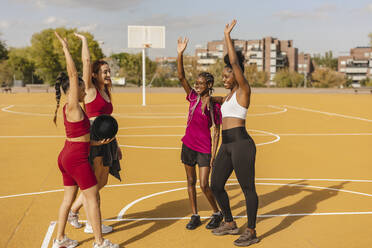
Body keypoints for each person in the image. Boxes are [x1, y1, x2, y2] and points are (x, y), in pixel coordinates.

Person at [52, 31, 118, 248]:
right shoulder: (73, 105)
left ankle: (60, 238)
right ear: (74, 89)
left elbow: (81, 137)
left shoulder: (73, 110)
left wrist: (98, 144)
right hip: (76, 159)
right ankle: (99, 242)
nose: (83, 88)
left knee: (67, 200)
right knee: (91, 199)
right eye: (80, 86)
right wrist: (67, 48)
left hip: (68, 154)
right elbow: (75, 73)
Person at [210, 20, 260, 246]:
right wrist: (207, 98)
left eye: (227, 75)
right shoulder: (229, 96)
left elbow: (233, 62)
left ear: (236, 76)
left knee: (247, 188)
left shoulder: (243, 90)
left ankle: (251, 230)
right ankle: (230, 222)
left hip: (241, 143)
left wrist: (226, 36)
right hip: (227, 145)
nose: (223, 78)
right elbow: (219, 100)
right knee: (216, 185)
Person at [68, 33, 122, 234]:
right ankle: (90, 223)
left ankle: (75, 211)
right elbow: (86, 61)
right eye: (104, 72)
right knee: (93, 185)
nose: (108, 74)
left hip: (109, 141)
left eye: (109, 71)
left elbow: (108, 122)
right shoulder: (90, 90)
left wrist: (117, 146)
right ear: (94, 74)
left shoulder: (107, 91)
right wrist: (84, 42)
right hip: (94, 142)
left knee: (102, 182)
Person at [177, 37, 223, 230]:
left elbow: (217, 132)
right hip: (188, 145)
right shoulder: (192, 97)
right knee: (190, 181)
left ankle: (217, 212)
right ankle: (194, 215)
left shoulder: (214, 105)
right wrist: (180, 53)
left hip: (204, 149)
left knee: (204, 184)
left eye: (201, 83)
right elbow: (181, 77)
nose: (196, 85)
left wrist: (213, 154)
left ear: (209, 84)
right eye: (196, 82)